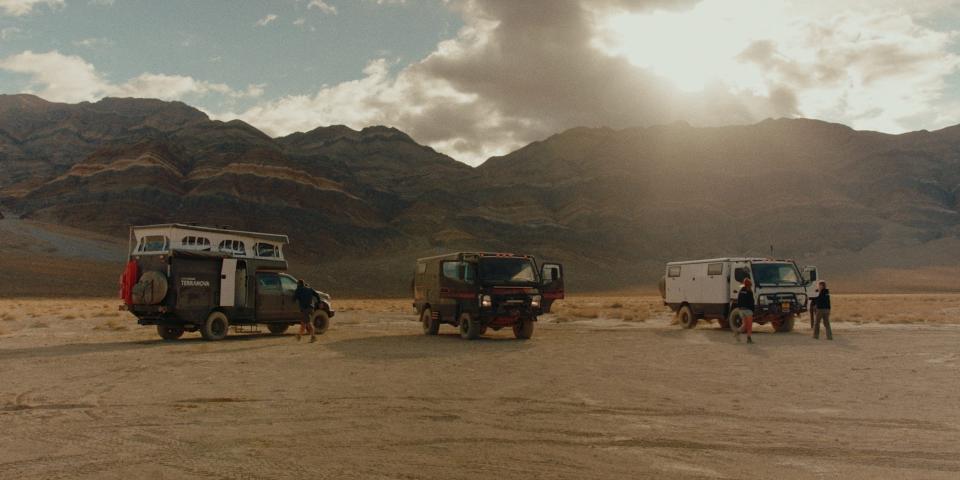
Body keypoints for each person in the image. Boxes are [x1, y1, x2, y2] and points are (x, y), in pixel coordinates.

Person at [733, 277, 755, 344]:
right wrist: (752, 310)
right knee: (749, 325)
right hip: (748, 310)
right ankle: (749, 339)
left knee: (744, 325)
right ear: (750, 284)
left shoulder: (741, 290)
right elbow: (751, 302)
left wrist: (739, 308)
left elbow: (738, 300)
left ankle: (737, 332)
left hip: (741, 310)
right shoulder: (749, 291)